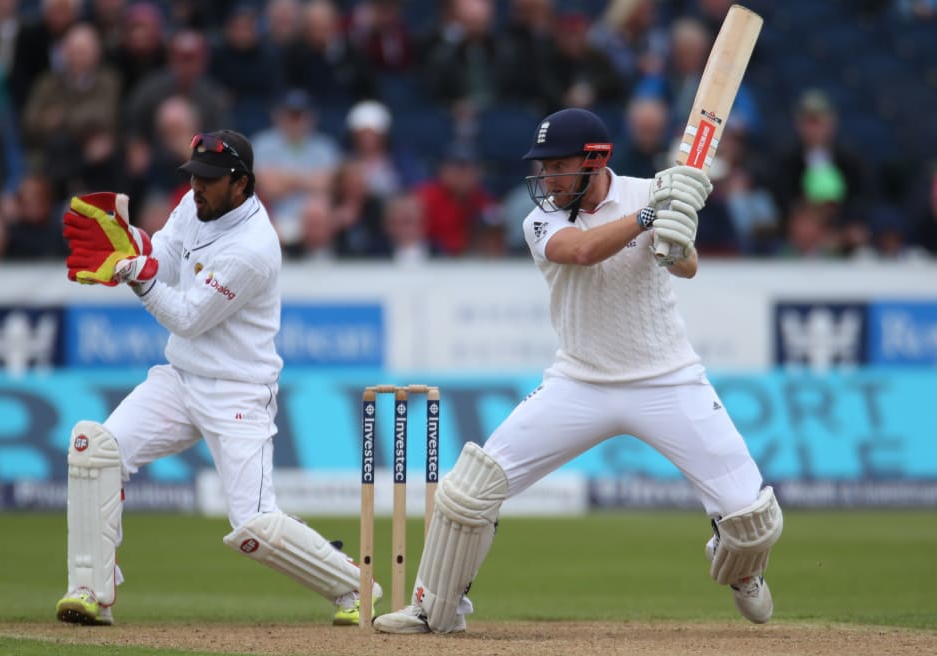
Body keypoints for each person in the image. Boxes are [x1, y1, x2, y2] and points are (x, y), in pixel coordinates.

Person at [373, 108, 782, 634]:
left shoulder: (650, 191)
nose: (546, 179)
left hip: (669, 379)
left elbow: (688, 266)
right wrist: (649, 218)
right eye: (543, 168)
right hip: (579, 383)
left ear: (594, 160)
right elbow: (583, 251)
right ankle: (434, 609)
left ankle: (739, 564)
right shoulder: (542, 219)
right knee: (468, 492)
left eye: (557, 166)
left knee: (751, 519)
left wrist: (675, 236)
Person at [55, 129, 380, 627]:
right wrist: (133, 247)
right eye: (194, 176)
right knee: (94, 451)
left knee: (253, 524)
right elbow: (165, 258)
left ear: (241, 183)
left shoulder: (253, 248)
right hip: (180, 378)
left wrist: (136, 276)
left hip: (238, 392)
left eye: (209, 179)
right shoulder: (195, 205)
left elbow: (187, 317)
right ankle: (90, 591)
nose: (197, 187)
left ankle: (356, 585)